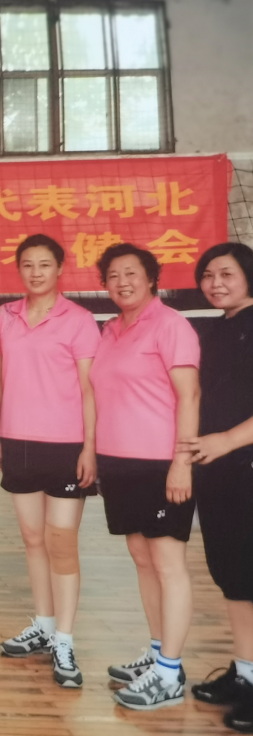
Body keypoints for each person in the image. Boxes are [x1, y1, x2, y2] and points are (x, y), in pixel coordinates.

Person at [89, 243, 200, 710]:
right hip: (119, 462)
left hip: (161, 463)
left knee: (168, 563)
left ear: (152, 278)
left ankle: (169, 674)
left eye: (131, 273)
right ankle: (158, 655)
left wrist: (182, 461)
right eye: (113, 275)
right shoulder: (110, 330)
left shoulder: (171, 325)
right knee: (142, 558)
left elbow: (190, 396)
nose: (122, 282)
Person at [0, 235, 100, 687]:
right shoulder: (5, 316)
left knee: (61, 543)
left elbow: (91, 388)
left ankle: (65, 641)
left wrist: (90, 446)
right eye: (28, 265)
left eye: (44, 265)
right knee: (33, 539)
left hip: (66, 446)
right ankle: (44, 625)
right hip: (17, 441)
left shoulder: (79, 320)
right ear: (19, 270)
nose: (35, 273)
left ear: (59, 269)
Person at [181, 243, 253, 732]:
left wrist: (227, 440)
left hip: (244, 463)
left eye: (226, 273)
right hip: (217, 471)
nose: (215, 283)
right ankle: (246, 672)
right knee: (234, 576)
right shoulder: (213, 330)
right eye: (207, 275)